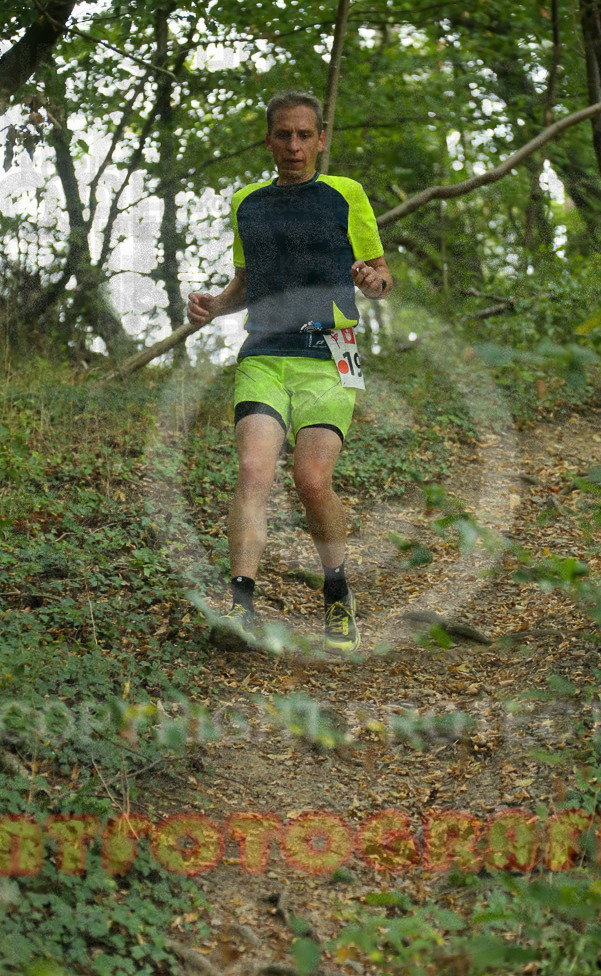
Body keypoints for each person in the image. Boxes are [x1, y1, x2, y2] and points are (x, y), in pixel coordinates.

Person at [187, 90, 392, 653]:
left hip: (330, 353)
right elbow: (245, 284)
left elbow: (379, 276)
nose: (295, 146)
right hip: (264, 353)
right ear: (270, 140)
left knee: (311, 481)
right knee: (254, 471)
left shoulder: (346, 195)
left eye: (305, 135)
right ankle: (241, 609)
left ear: (321, 139)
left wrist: (372, 283)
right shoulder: (248, 202)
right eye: (284, 135)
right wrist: (213, 306)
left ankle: (337, 593)